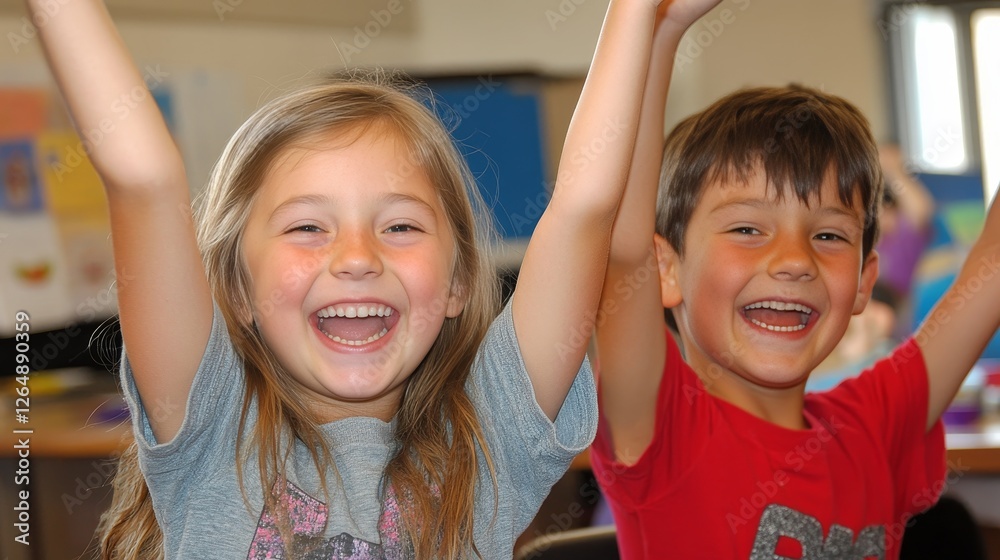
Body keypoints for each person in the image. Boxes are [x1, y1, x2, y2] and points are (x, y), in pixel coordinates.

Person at [27, 0, 712, 557]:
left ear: (457, 285)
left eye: (401, 226)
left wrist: (636, 11)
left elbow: (584, 207)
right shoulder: (210, 429)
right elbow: (143, 176)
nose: (357, 257)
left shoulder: (491, 440)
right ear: (235, 289)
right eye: (307, 227)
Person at [588, 18, 1000, 558]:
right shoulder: (661, 427)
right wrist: (659, 29)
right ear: (664, 269)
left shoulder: (875, 426)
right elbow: (620, 245)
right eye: (747, 229)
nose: (795, 260)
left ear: (863, 282)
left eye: (828, 235)